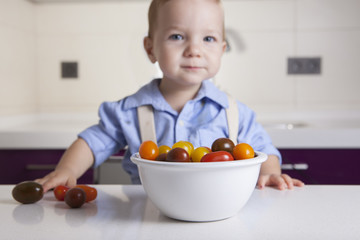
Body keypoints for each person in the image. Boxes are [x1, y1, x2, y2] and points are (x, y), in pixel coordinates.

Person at [36, 0, 304, 192]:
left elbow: (263, 148)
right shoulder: (130, 111)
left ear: (222, 49)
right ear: (150, 48)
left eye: (208, 39)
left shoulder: (233, 112)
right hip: (149, 214)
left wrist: (270, 174)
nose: (194, 50)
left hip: (217, 216)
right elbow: (93, 141)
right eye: (177, 36)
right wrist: (67, 171)